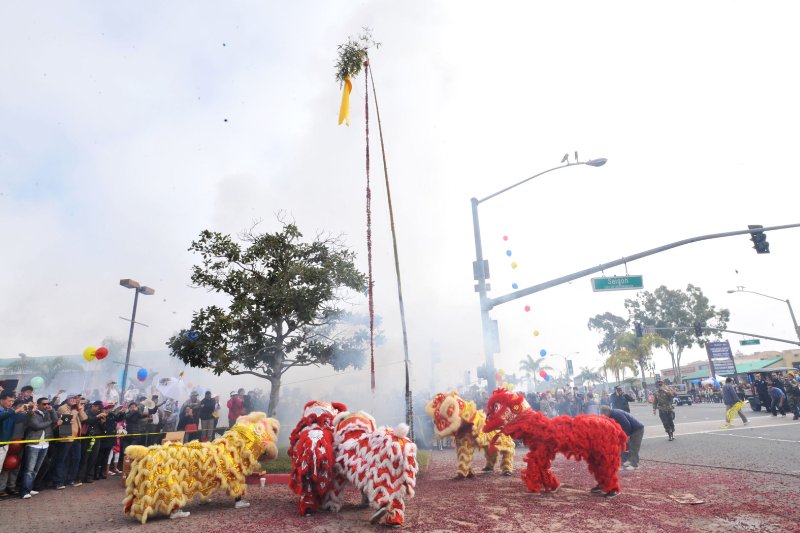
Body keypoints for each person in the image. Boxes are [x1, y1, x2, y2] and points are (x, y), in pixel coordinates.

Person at [19, 397, 60, 498]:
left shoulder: (47, 413)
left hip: (45, 444)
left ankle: (30, 488)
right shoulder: (32, 413)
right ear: (38, 405)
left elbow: (56, 421)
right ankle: (24, 491)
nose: (46, 406)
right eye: (44, 404)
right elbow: (36, 426)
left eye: (48, 404)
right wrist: (50, 422)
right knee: (29, 470)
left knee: (36, 469)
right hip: (33, 444)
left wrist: (52, 410)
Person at [52, 393, 88, 489]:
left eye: (76, 398)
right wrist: (76, 409)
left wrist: (79, 408)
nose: (74, 400)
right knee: (62, 459)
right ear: (67, 399)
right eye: (72, 398)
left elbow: (84, 418)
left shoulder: (76, 408)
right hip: (66, 436)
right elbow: (69, 419)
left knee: (76, 459)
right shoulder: (62, 408)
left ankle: (70, 479)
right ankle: (58, 481)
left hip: (76, 437)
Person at [600, 405, 644, 470]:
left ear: (607, 412)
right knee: (625, 446)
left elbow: (627, 424)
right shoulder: (612, 415)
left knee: (634, 446)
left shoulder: (617, 414)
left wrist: (627, 435)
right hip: (631, 430)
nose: (604, 416)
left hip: (637, 429)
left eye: (603, 414)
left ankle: (634, 465)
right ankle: (627, 461)